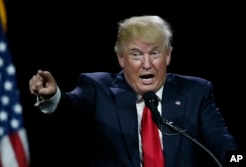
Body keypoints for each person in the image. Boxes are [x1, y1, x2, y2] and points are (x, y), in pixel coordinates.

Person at [29, 15, 237, 167]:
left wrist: (238, 161)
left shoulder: (196, 92)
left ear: (168, 56)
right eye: (136, 55)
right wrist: (54, 97)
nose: (147, 64)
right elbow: (70, 106)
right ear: (121, 58)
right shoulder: (98, 88)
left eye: (155, 53)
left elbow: (221, 142)